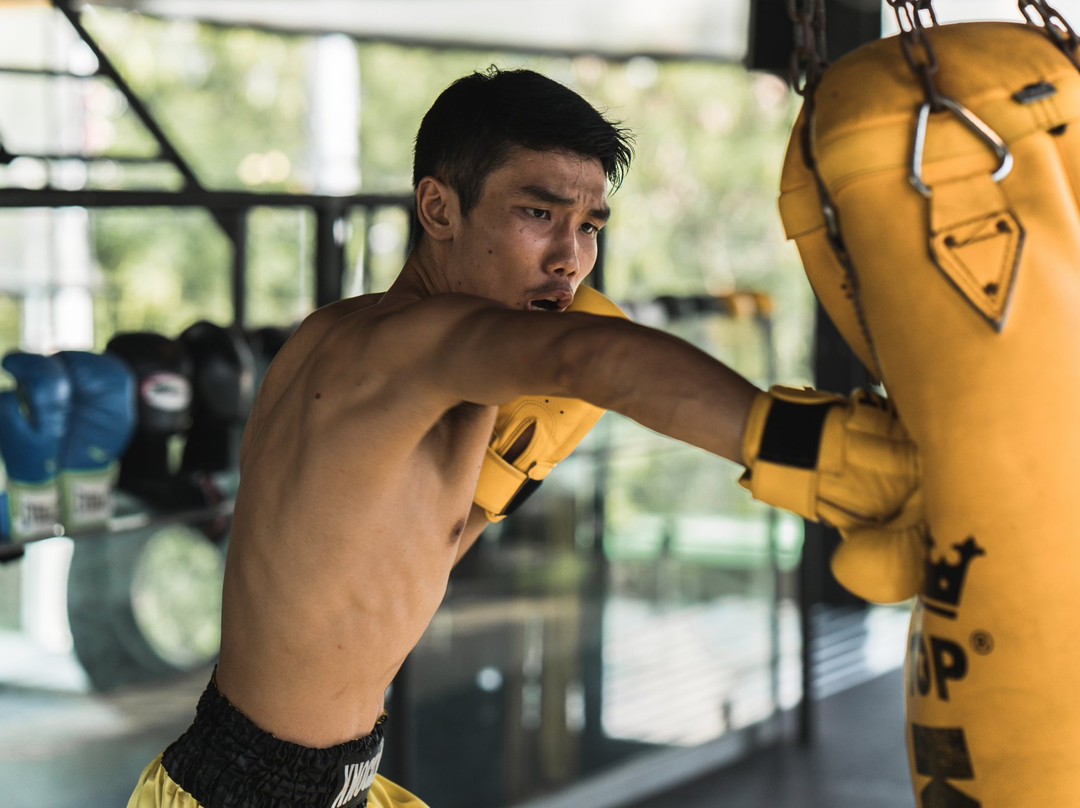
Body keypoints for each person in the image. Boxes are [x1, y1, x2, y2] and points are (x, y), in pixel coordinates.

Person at [127, 67, 920, 808]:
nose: (569, 258)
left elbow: (381, 577)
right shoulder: (396, 344)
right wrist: (816, 449)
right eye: (537, 213)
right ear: (439, 209)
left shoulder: (426, 369)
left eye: (589, 224)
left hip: (335, 783)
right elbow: (587, 357)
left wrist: (498, 484)